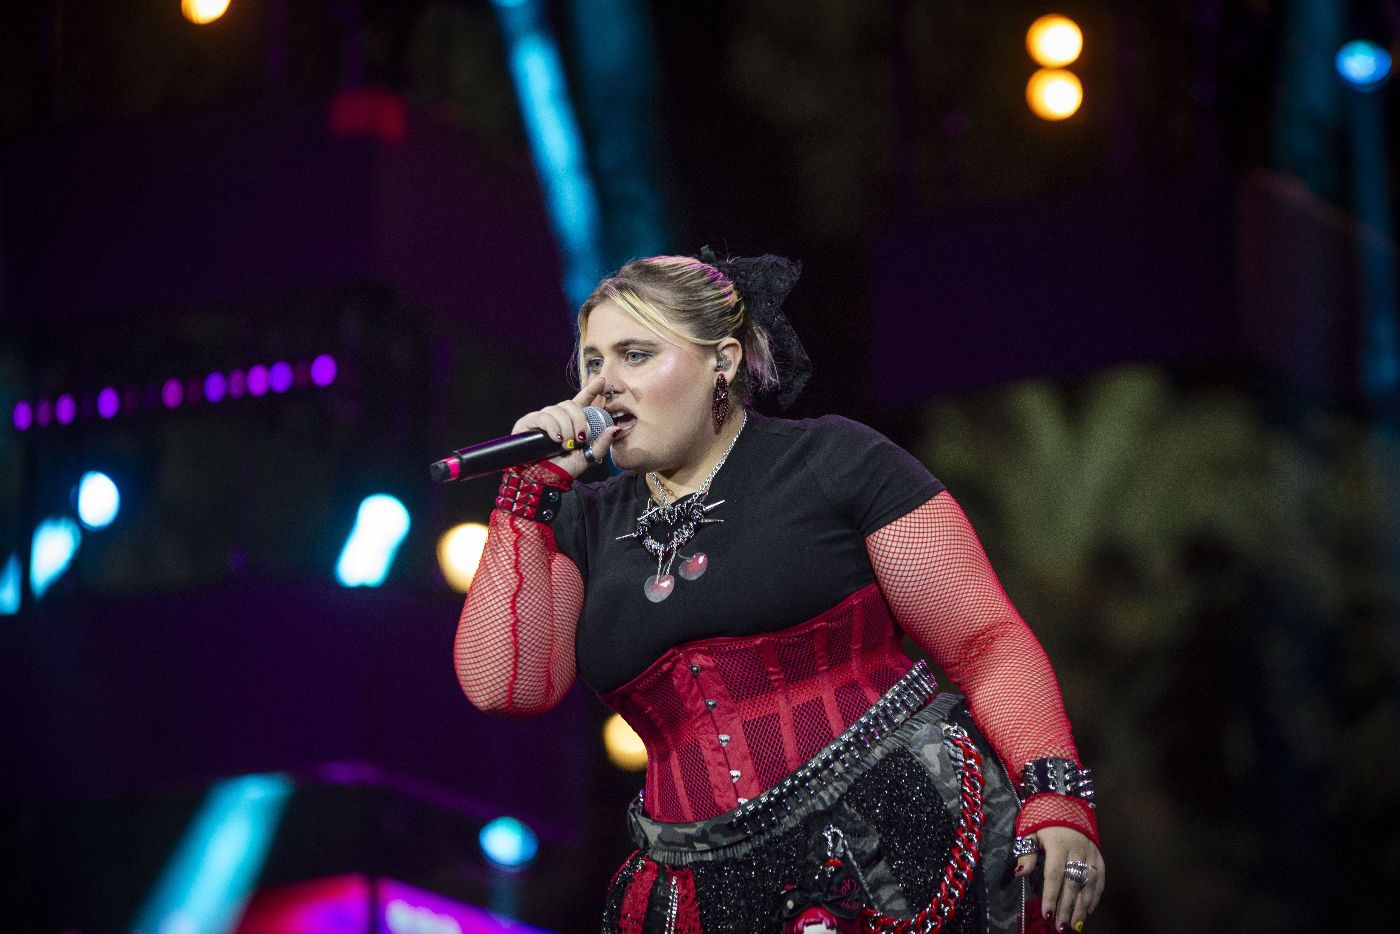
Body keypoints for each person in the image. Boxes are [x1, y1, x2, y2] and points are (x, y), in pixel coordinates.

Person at [454, 251, 1104, 934]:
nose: (603, 387)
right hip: (704, 892)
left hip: (897, 843)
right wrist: (528, 491)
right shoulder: (581, 523)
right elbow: (506, 686)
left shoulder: (832, 460)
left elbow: (985, 645)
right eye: (592, 362)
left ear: (723, 362)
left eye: (635, 355)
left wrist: (1056, 796)